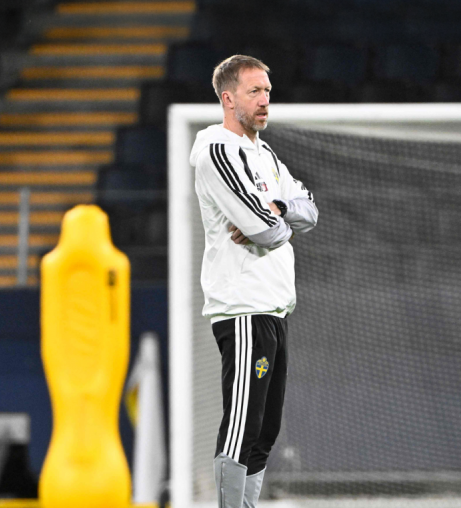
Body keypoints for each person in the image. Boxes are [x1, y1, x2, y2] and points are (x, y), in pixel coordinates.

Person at [189, 55, 318, 508]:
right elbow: (263, 230)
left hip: (274, 307)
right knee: (242, 427)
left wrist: (276, 212)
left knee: (264, 430)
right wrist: (277, 222)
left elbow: (308, 211)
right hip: (243, 308)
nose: (265, 100)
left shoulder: (267, 156)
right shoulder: (217, 150)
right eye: (254, 92)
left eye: (267, 91)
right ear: (228, 99)